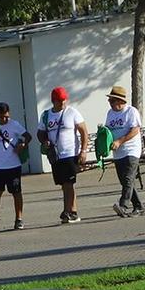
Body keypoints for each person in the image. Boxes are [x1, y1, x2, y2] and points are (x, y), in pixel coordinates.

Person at [38, 86, 90, 225]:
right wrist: (45, 141)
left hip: (70, 153)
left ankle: (70, 211)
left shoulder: (72, 112)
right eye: (59, 101)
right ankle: (70, 210)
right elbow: (40, 132)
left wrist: (83, 151)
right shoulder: (46, 115)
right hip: (55, 155)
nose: (62, 103)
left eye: (64, 100)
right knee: (63, 184)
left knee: (69, 183)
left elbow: (84, 132)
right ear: (53, 101)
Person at [0, 102, 31, 232]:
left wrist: (23, 144)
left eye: (6, 116)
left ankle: (19, 219)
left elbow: (28, 136)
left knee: (16, 192)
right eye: (2, 117)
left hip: (13, 165)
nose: (4, 119)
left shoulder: (14, 124)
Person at [104, 85, 144, 217]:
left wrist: (120, 141)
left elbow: (135, 130)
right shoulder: (110, 114)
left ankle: (123, 206)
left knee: (128, 179)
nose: (110, 103)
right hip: (118, 152)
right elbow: (108, 130)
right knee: (126, 181)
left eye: (112, 100)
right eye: (109, 100)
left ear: (120, 101)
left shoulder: (131, 112)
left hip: (131, 150)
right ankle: (139, 206)